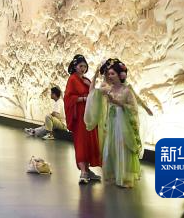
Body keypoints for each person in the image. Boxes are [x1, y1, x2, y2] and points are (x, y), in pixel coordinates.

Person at [86, 58, 152, 189]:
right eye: (108, 74)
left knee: (123, 146)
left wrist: (119, 103)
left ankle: (124, 177)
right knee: (111, 147)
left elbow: (133, 107)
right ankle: (115, 175)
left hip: (123, 123)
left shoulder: (126, 90)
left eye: (112, 74)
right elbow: (92, 92)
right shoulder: (108, 89)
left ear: (120, 75)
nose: (110, 76)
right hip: (111, 122)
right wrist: (95, 74)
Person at [64, 54, 102, 185]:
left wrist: (91, 85)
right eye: (81, 66)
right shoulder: (72, 79)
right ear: (75, 66)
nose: (83, 69)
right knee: (81, 142)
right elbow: (68, 98)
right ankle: (83, 171)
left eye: (85, 66)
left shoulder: (85, 80)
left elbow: (93, 94)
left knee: (89, 141)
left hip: (88, 114)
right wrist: (84, 99)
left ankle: (87, 169)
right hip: (79, 114)